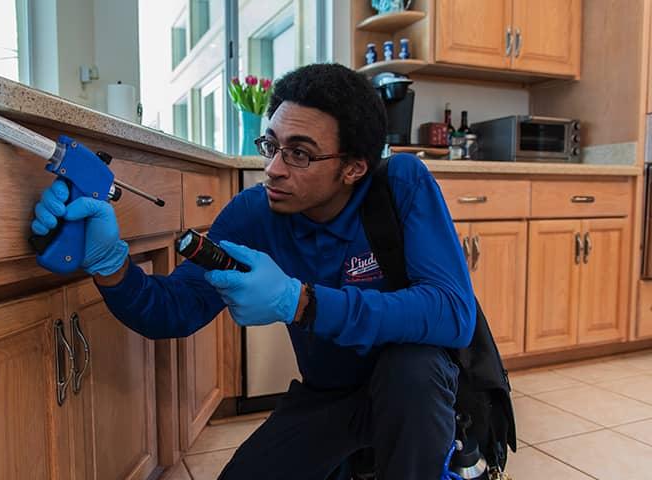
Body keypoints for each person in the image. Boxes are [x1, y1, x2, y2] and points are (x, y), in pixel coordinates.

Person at [31, 63, 476, 479]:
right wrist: (111, 265)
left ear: (353, 168)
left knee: (412, 370)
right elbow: (174, 311)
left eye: (299, 154)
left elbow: (454, 314)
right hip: (329, 392)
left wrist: (302, 303)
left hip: (413, 392)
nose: (273, 169)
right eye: (271, 145)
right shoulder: (256, 213)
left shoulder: (401, 184)